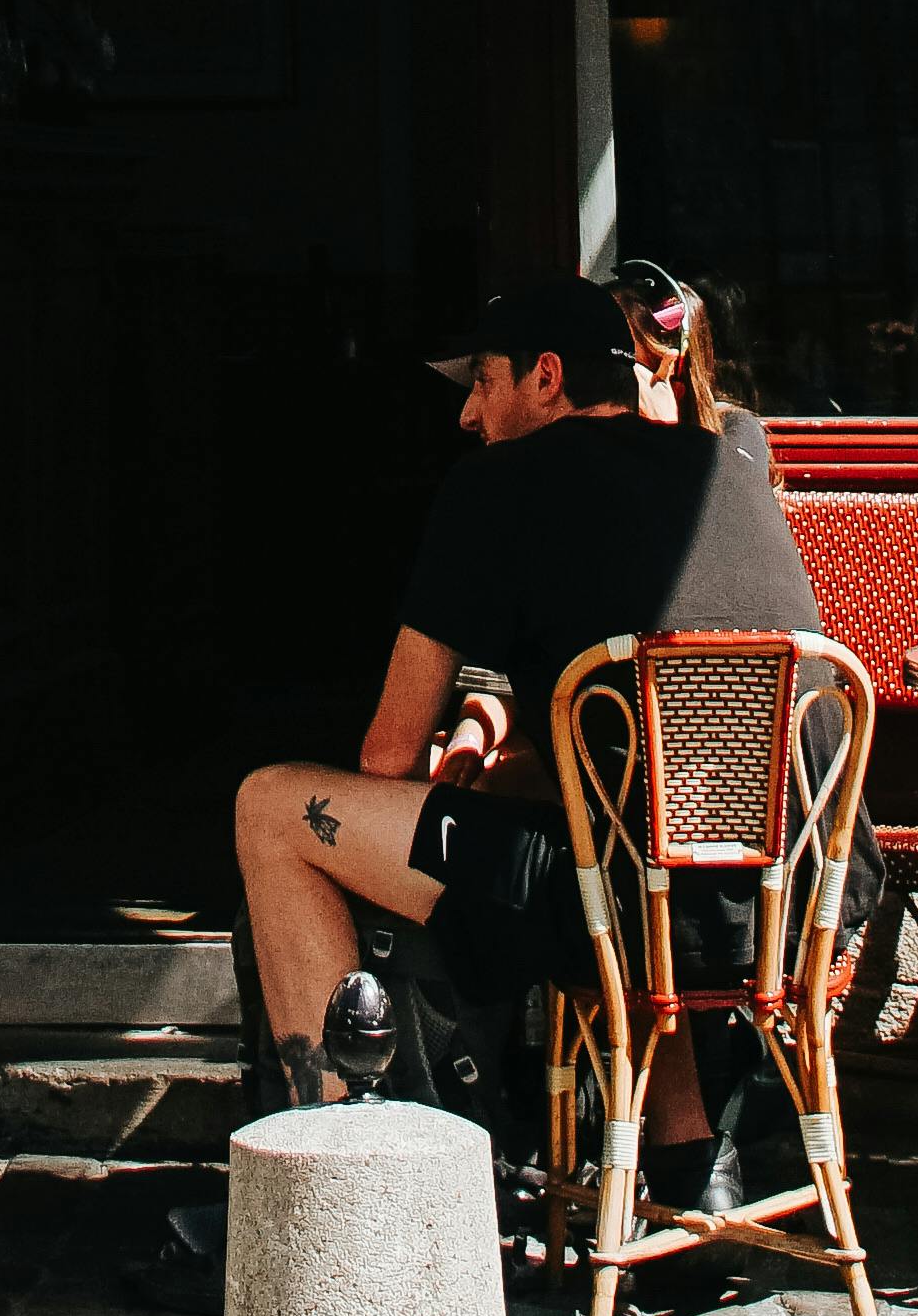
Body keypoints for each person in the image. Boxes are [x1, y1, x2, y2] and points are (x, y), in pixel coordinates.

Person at [226, 274, 817, 1167]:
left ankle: (341, 1190)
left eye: (483, 383)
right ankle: (690, 1159)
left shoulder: (496, 487)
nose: (468, 415)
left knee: (272, 809)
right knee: (636, 845)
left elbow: (386, 756)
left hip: (620, 907)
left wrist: (454, 769)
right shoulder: (728, 469)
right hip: (801, 894)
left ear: (546, 376)